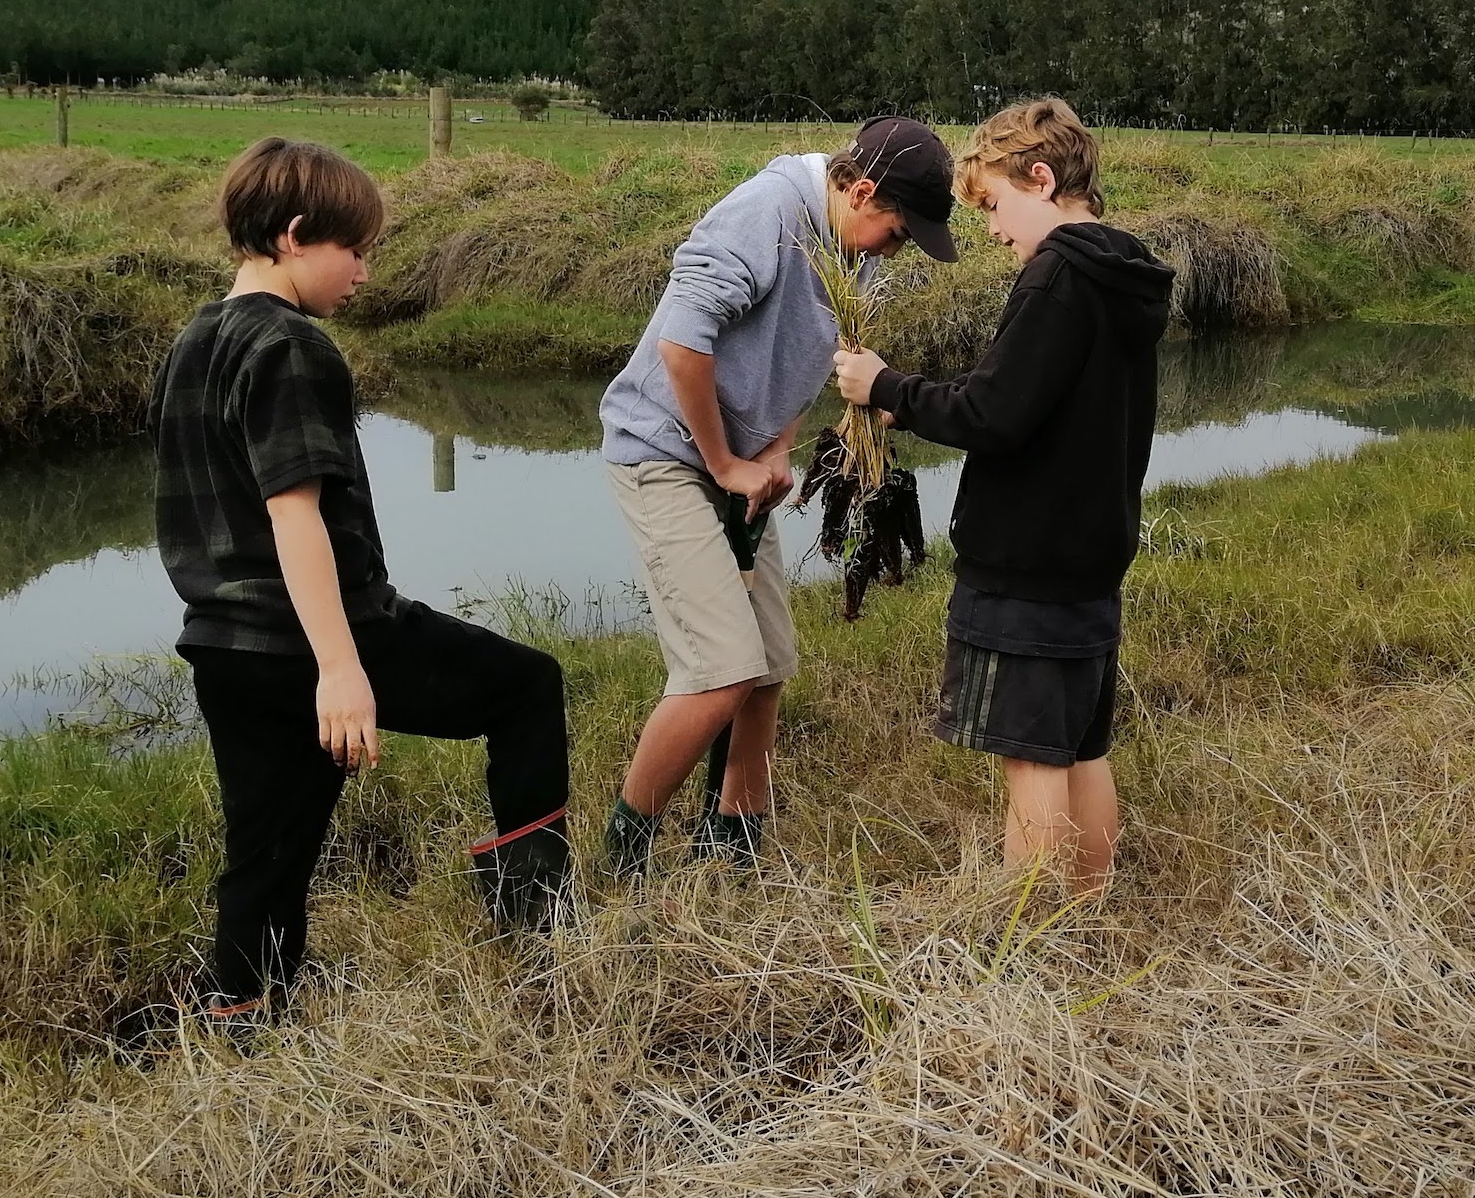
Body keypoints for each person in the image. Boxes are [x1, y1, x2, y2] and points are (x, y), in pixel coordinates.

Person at [153, 137, 572, 1022]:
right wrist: (340, 670)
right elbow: (292, 513)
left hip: (222, 644)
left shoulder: (192, 341)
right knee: (527, 688)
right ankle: (536, 923)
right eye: (356, 249)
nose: (366, 272)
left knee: (265, 857)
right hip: (321, 635)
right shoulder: (293, 346)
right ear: (298, 235)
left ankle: (241, 1023)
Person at [598, 115, 958, 873]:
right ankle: (622, 853)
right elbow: (681, 341)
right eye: (896, 233)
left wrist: (771, 448)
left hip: (740, 460)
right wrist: (724, 461)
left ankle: (736, 838)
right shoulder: (765, 215)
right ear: (861, 192)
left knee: (766, 666)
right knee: (720, 669)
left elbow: (813, 350)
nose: (895, 251)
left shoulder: (846, 245)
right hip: (666, 456)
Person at [832, 98, 1172, 897]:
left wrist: (885, 384)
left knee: (1028, 758)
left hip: (1025, 559)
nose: (989, 228)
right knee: (1081, 748)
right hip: (1091, 556)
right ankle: (1085, 914)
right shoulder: (1123, 275)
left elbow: (995, 414)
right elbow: (1028, 397)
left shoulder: (1057, 275)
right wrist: (909, 398)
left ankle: (1030, 941)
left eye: (991, 204)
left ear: (1041, 178)